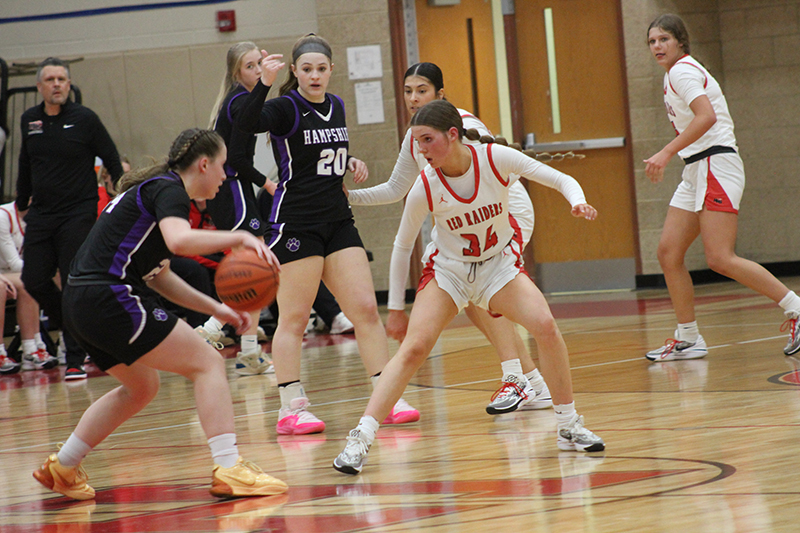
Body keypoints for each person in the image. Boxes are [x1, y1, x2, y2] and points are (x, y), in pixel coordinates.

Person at [333, 100, 604, 475]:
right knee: (413, 349)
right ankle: (360, 438)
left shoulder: (495, 158)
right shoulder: (426, 184)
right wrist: (396, 308)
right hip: (450, 273)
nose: (421, 150)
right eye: (417, 142)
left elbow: (558, 178)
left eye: (428, 140)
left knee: (545, 326)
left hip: (498, 268)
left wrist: (577, 200)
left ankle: (568, 424)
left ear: (453, 135)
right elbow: (402, 244)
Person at [32, 128, 288, 500]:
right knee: (208, 363)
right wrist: (240, 237)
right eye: (221, 167)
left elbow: (161, 277)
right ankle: (229, 467)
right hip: (109, 295)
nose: (224, 176)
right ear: (203, 164)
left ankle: (63, 466)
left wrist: (219, 310)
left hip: (80, 303)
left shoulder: (152, 192)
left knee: (142, 387)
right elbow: (180, 241)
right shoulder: (169, 190)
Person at [229, 34, 419, 435]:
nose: (315, 75)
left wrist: (347, 159)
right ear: (295, 72)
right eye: (307, 69)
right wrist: (263, 82)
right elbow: (243, 125)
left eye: (321, 68)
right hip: (295, 223)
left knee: (366, 310)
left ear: (331, 70)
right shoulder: (283, 108)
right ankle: (290, 407)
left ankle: (386, 395)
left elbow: (317, 151)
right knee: (294, 318)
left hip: (338, 219)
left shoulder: (336, 105)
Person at [347, 62, 551, 414]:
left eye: (421, 90)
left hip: (504, 211)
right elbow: (397, 189)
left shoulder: (461, 127)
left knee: (482, 287)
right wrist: (349, 197)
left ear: (440, 94)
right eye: (408, 91)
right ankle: (532, 382)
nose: (413, 98)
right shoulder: (418, 135)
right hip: (470, 222)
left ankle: (517, 378)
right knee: (471, 295)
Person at [643, 14, 800, 361]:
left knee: (719, 258)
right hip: (697, 167)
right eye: (652, 41)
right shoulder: (674, 74)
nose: (657, 46)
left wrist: (666, 152)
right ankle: (688, 337)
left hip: (716, 162)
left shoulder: (683, 70)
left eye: (663, 39)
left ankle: (796, 308)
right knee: (669, 253)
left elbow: (706, 116)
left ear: (680, 42)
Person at [16, 57, 123, 380]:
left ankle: (75, 356)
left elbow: (113, 158)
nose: (57, 84)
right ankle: (74, 325)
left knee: (72, 279)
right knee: (32, 279)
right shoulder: (29, 120)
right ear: (40, 86)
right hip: (42, 212)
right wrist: (22, 202)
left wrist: (120, 196)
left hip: (77, 212)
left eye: (62, 79)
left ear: (69, 84)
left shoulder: (85, 119)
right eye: (50, 79)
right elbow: (25, 162)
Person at [0, 200, 56, 374]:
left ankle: (32, 348)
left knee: (31, 281)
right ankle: (1, 352)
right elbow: (15, 263)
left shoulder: (43, 215)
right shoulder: (4, 216)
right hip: (5, 272)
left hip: (10, 274)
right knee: (3, 286)